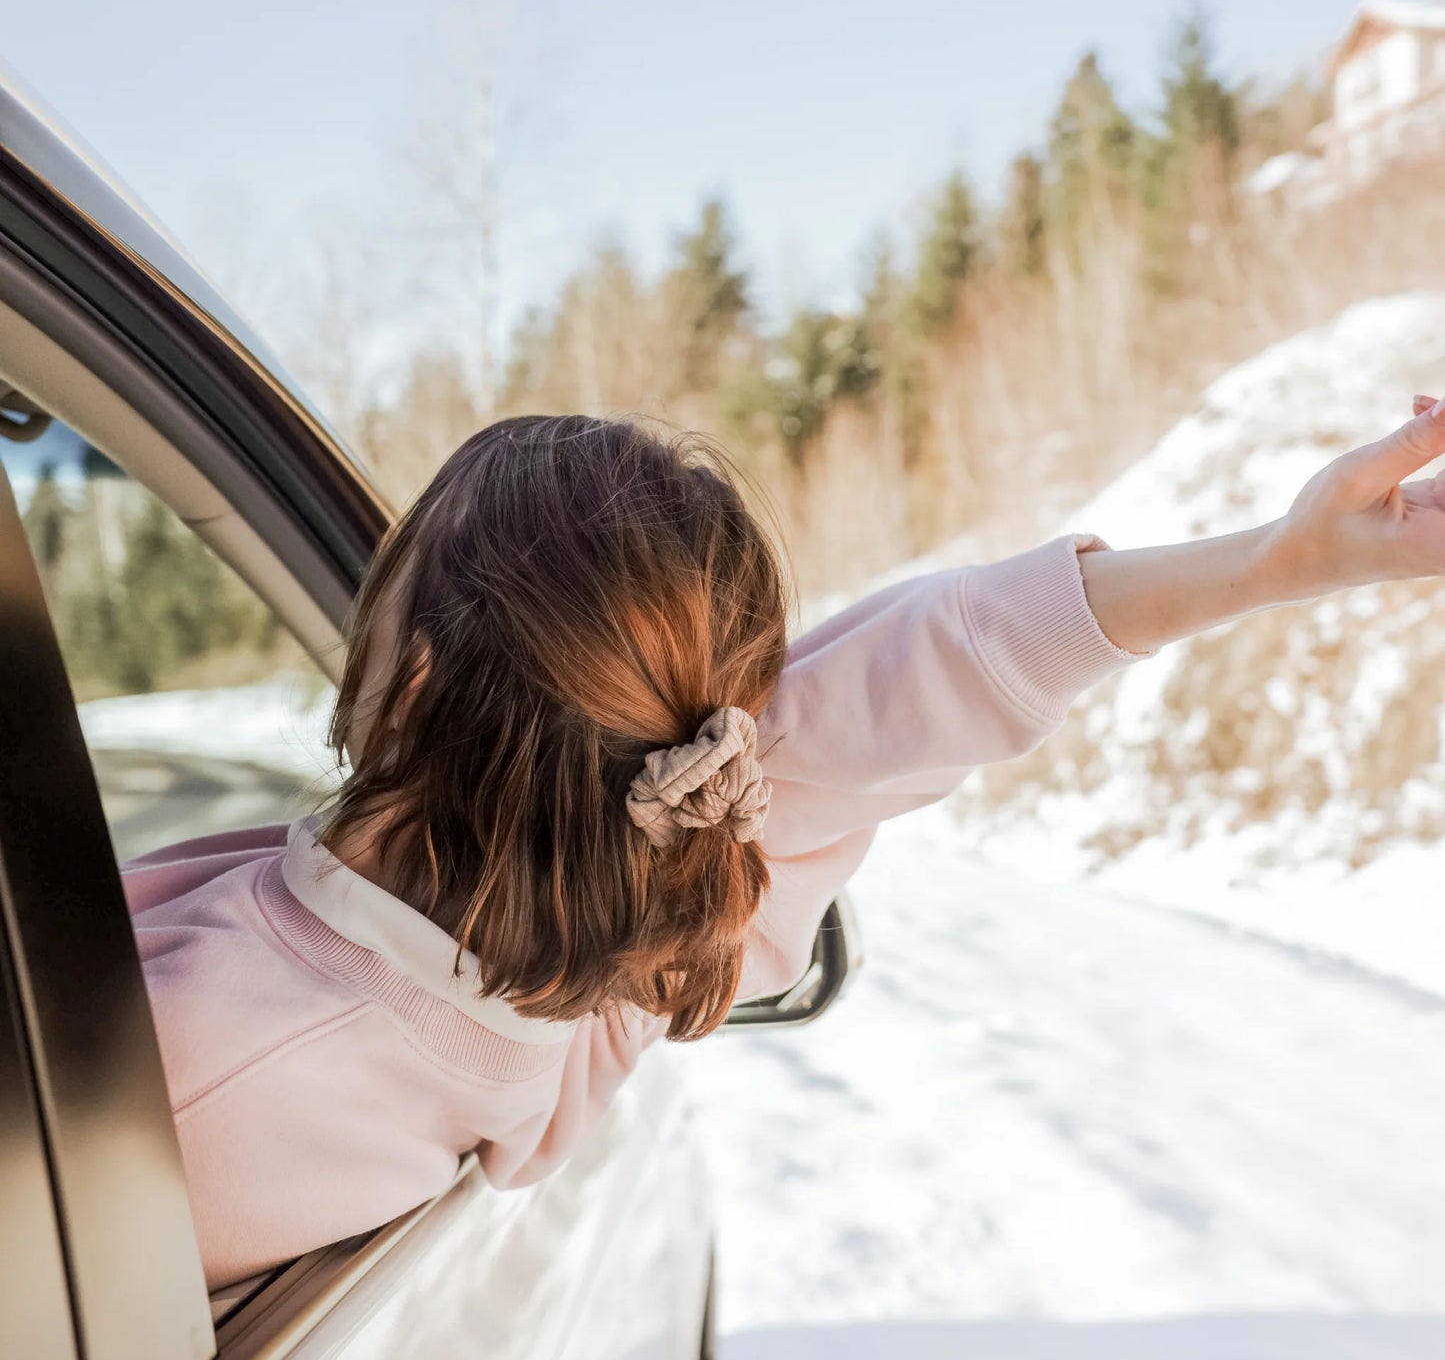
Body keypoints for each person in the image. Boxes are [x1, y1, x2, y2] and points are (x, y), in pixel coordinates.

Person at [124, 397, 1445, 1289]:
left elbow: (886, 690)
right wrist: (1269, 563)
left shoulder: (188, 1083)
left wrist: (1275, 558)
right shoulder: (581, 1010)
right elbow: (905, 686)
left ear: (408, 682)